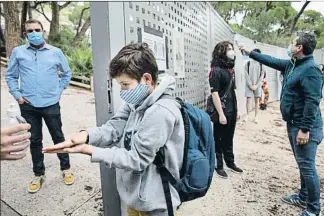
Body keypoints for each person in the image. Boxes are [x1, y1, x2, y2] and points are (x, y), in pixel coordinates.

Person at [42, 43, 184, 216]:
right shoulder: (136, 101)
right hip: (137, 197)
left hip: (157, 202)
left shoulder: (161, 112)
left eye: (125, 84)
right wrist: (86, 136)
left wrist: (90, 150)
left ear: (147, 79)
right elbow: (114, 127)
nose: (122, 91)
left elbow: (137, 159)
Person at [240, 32, 324, 216]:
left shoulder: (311, 70)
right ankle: (303, 197)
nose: (290, 45)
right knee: (302, 164)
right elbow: (270, 60)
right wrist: (250, 52)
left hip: (304, 127)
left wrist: (304, 129)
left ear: (299, 48)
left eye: (292, 43)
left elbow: (312, 102)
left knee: (307, 167)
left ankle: (314, 209)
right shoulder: (293, 64)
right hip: (294, 123)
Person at [5, 19, 73, 193]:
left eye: (37, 30)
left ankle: (65, 169)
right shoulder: (18, 52)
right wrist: (18, 96)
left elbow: (66, 74)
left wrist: (58, 92)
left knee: (58, 136)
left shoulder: (55, 52)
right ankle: (38, 173)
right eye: (30, 31)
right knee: (35, 140)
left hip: (51, 103)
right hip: (28, 105)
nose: (34, 33)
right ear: (25, 33)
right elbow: (11, 76)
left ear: (43, 32)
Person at [208, 41, 243, 179]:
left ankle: (230, 162)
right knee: (219, 138)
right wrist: (221, 114)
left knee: (229, 138)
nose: (231, 51)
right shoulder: (215, 70)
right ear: (221, 51)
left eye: (231, 48)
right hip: (221, 111)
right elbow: (214, 93)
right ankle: (219, 165)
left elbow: (232, 91)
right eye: (228, 49)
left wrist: (237, 110)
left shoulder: (230, 69)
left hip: (231, 109)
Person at [243, 48, 266, 123]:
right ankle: (247, 115)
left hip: (257, 86)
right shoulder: (248, 63)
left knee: (257, 101)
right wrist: (250, 85)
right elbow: (246, 74)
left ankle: (256, 117)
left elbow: (262, 76)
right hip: (249, 85)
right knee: (248, 100)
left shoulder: (262, 65)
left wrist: (256, 85)